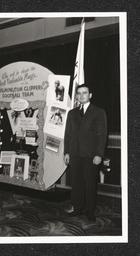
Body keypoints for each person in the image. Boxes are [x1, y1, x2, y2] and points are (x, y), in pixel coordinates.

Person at [63, 84, 107, 221]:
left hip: (91, 155)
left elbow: (102, 135)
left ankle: (89, 211)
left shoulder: (98, 112)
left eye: (84, 93)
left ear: (90, 95)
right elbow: (68, 135)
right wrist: (67, 152)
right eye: (79, 93)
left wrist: (99, 154)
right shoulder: (72, 113)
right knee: (76, 183)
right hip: (75, 154)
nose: (81, 95)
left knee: (90, 184)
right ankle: (77, 208)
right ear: (76, 95)